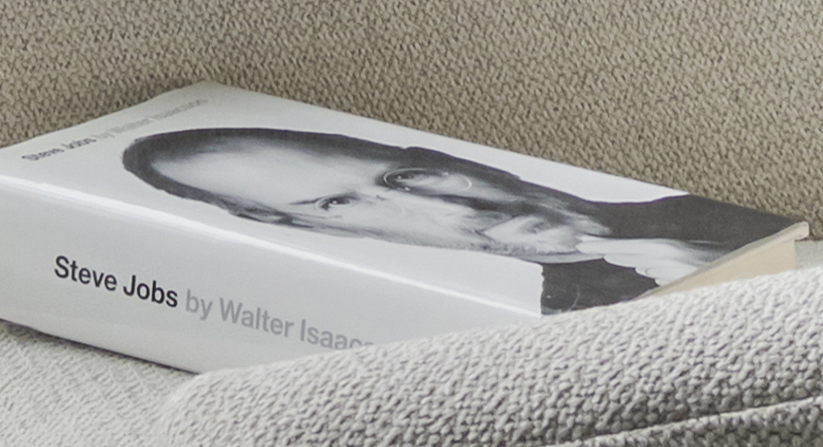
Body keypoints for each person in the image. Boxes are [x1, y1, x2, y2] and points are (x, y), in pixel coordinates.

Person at [120, 116, 776, 312]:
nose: (443, 204)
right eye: (338, 202)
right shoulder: (561, 321)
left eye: (403, 176)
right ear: (313, 229)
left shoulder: (713, 212)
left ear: (432, 151)